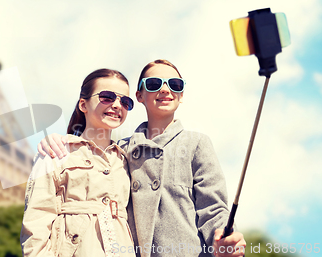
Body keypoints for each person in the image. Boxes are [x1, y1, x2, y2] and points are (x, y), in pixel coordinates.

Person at [37, 60, 246, 257]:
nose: (165, 89)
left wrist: (224, 237)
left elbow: (213, 208)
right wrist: (60, 140)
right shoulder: (120, 151)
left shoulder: (196, 143)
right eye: (154, 84)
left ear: (181, 95)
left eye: (174, 84)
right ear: (139, 96)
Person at [21, 69, 137, 257]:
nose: (117, 105)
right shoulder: (56, 152)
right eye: (107, 97)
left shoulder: (128, 160)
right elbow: (37, 221)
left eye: (125, 101)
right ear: (83, 104)